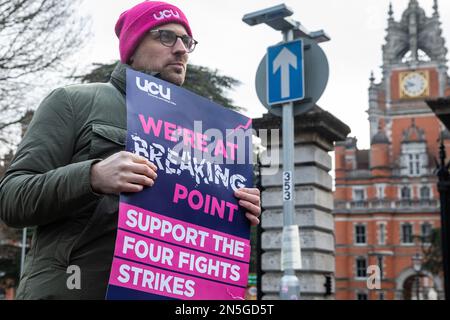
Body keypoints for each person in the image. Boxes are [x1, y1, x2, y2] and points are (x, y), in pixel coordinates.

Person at [0, 1, 261, 300]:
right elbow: (11, 198)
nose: (181, 49)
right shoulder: (72, 101)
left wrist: (233, 209)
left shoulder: (203, 133)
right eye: (166, 37)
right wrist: (93, 176)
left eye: (187, 41)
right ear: (132, 49)